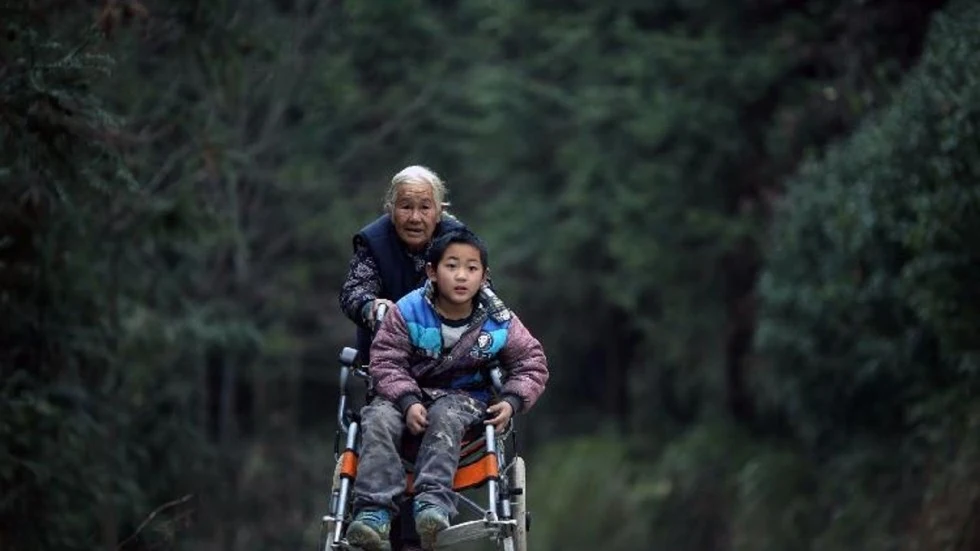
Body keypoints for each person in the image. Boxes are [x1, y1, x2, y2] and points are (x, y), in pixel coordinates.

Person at [344, 229, 549, 551]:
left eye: (471, 268)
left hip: (464, 400)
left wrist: (511, 401)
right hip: (403, 395)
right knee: (377, 417)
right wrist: (407, 400)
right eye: (452, 266)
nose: (461, 276)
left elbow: (531, 363)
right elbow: (385, 361)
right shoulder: (407, 311)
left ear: (484, 277)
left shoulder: (499, 321)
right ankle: (373, 511)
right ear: (432, 272)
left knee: (447, 414)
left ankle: (433, 503)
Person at [339, 165, 466, 363]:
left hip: (452, 359)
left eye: (425, 207)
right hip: (386, 357)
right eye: (406, 207)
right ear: (391, 210)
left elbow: (483, 294)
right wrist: (371, 307)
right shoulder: (373, 241)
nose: (415, 218)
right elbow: (354, 291)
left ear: (440, 211)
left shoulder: (460, 242)